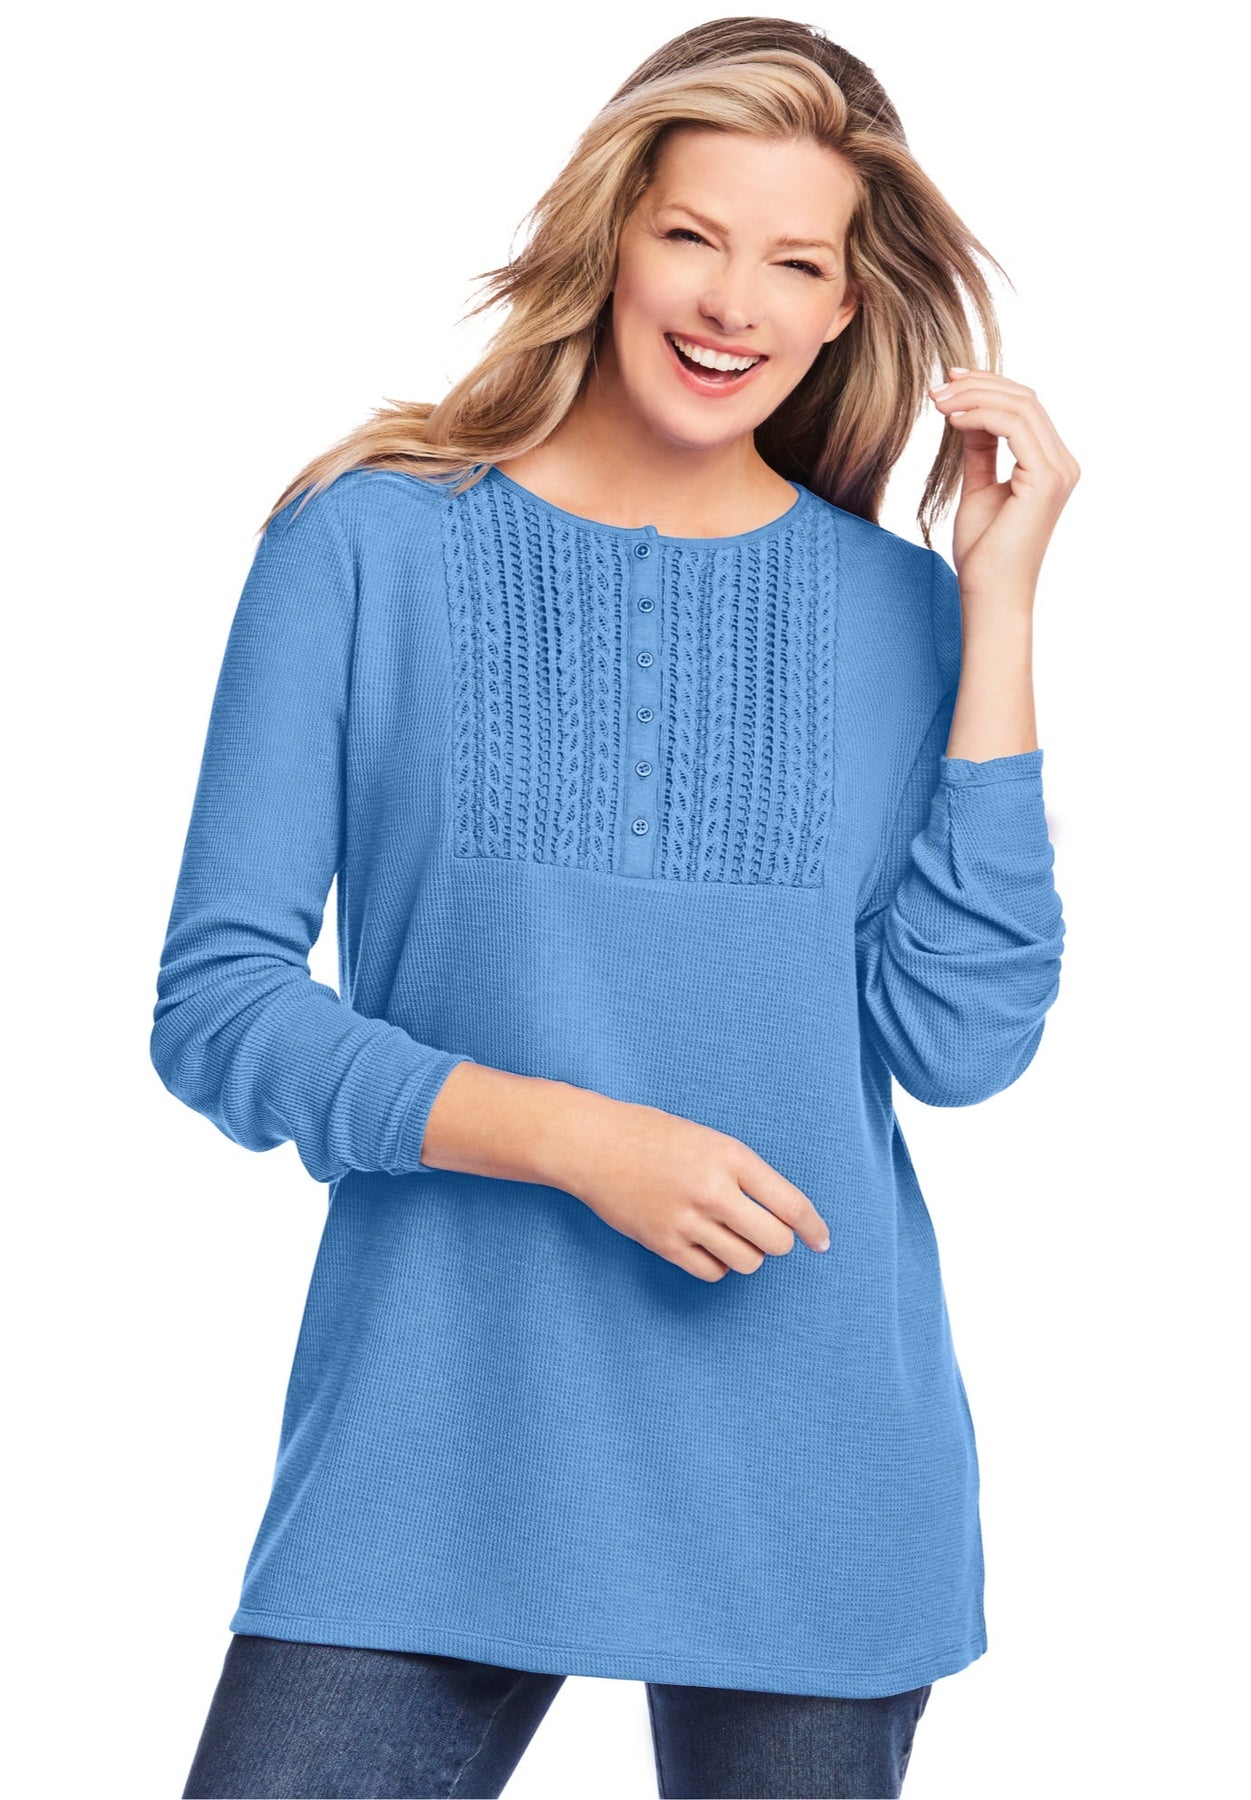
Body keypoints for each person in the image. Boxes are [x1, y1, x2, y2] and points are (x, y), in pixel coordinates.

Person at [153, 16, 1078, 1799]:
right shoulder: (366, 541)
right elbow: (220, 1006)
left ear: (846, 308)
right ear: (612, 239)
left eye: (793, 262)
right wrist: (579, 1141)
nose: (732, 302)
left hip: (810, 1457)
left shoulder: (907, 613)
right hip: (434, 1433)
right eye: (693, 236)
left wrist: (1002, 612)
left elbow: (963, 1043)